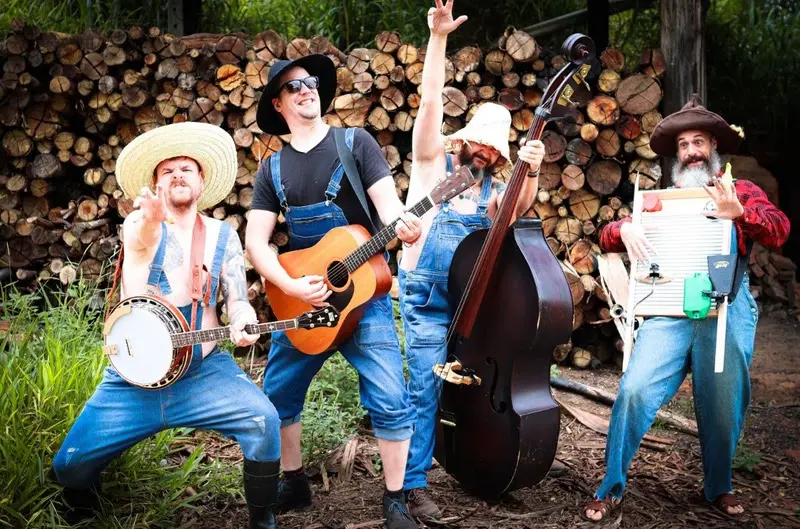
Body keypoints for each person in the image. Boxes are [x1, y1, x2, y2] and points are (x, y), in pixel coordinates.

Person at [52, 122, 283, 529]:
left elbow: (238, 301)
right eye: (167, 170)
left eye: (186, 168)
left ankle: (263, 522)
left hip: (203, 372)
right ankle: (85, 511)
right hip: (134, 381)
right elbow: (142, 240)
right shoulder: (139, 225)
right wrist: (150, 220)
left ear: (202, 179)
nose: (177, 174)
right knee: (68, 468)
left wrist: (245, 323)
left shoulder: (222, 234)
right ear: (156, 185)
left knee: (264, 422)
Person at [583, 96, 791, 521]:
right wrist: (624, 228)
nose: (692, 150)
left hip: (726, 306)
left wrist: (741, 214)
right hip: (669, 307)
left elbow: (780, 231)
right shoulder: (662, 200)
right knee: (635, 389)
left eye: (699, 141)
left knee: (721, 401)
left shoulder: (742, 190)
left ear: (713, 146)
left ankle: (719, 486)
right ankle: (611, 487)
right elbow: (605, 235)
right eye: (683, 145)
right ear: (676, 155)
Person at [245, 53, 422, 529]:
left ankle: (395, 500)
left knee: (389, 397)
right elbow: (255, 242)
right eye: (295, 86)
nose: (307, 89)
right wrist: (288, 285)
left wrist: (401, 225)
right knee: (277, 396)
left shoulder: (355, 142)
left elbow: (388, 207)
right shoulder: (272, 170)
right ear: (278, 104)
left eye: (311, 83)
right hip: (302, 300)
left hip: (366, 299)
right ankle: (294, 483)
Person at [396, 0, 548, 520]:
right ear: (461, 142)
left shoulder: (495, 188)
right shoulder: (431, 162)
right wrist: (437, 40)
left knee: (466, 388)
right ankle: (412, 486)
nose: (481, 156)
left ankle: (469, 457)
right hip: (425, 295)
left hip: (473, 304)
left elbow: (515, 213)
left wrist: (531, 169)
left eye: (491, 153)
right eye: (477, 147)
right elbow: (430, 102)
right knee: (422, 387)